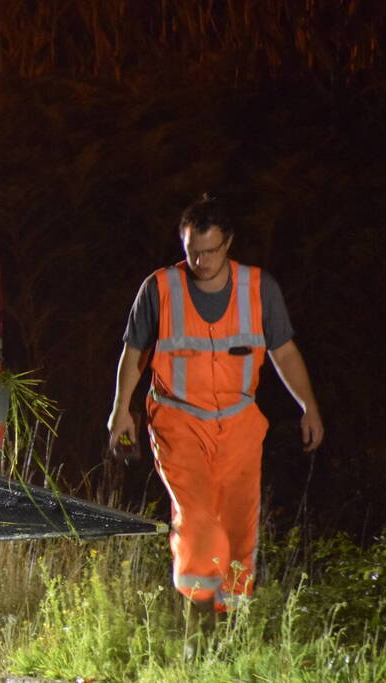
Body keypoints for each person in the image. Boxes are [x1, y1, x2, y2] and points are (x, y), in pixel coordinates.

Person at [107, 194, 324, 618]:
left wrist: (309, 407)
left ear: (228, 243)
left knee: (239, 526)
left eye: (210, 251)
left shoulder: (259, 288)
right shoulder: (160, 288)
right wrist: (121, 410)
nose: (201, 261)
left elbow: (285, 353)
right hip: (177, 420)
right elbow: (133, 354)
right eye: (193, 252)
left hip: (240, 425)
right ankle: (198, 612)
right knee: (199, 519)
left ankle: (232, 621)